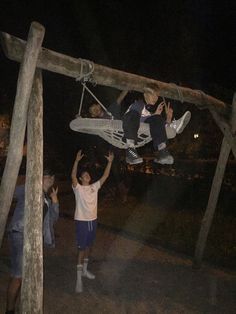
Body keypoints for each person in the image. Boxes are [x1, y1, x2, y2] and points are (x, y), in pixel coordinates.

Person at [5, 169, 59, 314]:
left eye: (51, 176)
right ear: (39, 177)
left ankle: (22, 306)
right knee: (18, 275)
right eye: (46, 175)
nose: (49, 178)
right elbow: (9, 192)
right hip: (20, 233)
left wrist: (55, 201)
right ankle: (9, 310)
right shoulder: (29, 188)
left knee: (27, 275)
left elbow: (52, 220)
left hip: (35, 240)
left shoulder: (47, 200)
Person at [71, 149, 114, 293]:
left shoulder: (94, 187)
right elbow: (72, 176)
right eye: (84, 174)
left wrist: (110, 162)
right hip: (82, 221)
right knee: (81, 249)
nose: (87, 175)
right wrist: (76, 161)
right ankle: (78, 280)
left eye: (88, 174)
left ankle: (85, 270)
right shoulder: (78, 188)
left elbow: (106, 176)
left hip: (93, 221)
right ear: (81, 178)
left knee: (89, 247)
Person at [122, 89, 191, 165]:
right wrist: (154, 115)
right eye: (153, 94)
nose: (155, 98)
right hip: (127, 133)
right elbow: (134, 118)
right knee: (142, 115)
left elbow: (159, 129)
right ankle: (131, 152)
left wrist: (168, 118)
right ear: (145, 95)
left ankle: (162, 152)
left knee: (158, 119)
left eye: (157, 96)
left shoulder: (149, 113)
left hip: (140, 136)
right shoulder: (138, 104)